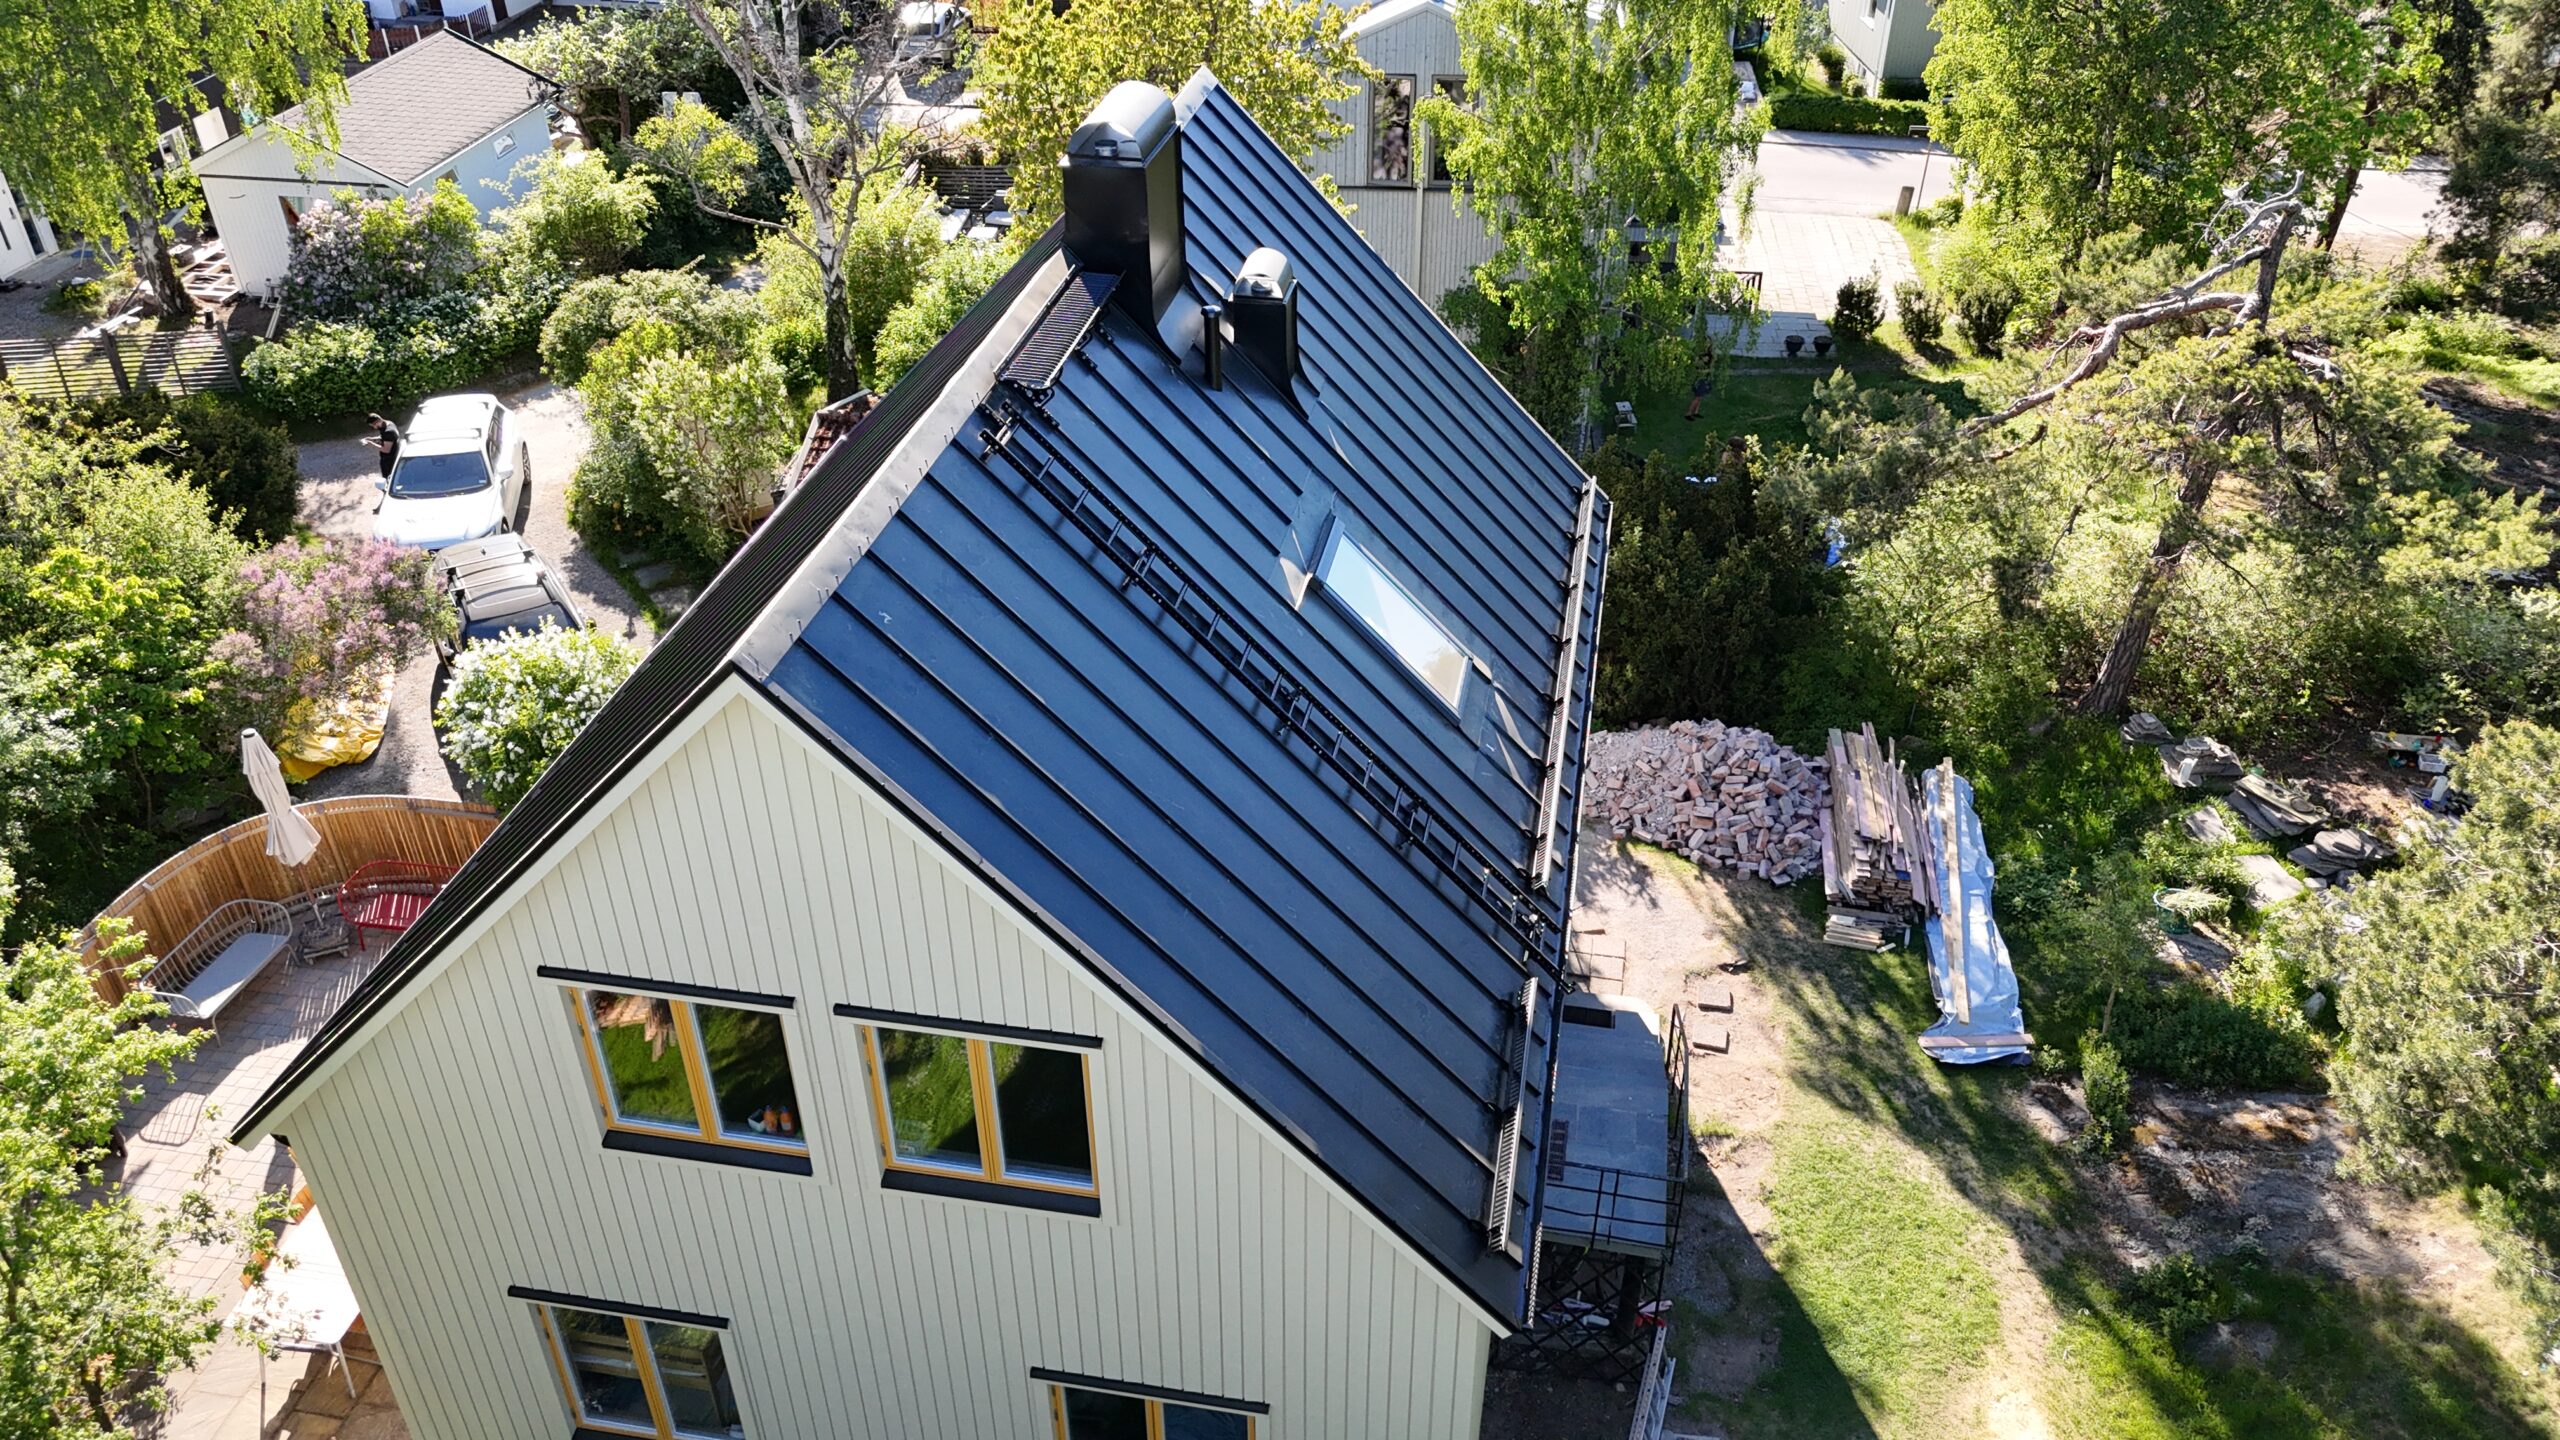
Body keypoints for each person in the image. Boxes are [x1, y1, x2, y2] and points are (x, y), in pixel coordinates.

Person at [1683, 339, 1717, 421]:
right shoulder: (1700, 355)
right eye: (1706, 343)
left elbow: (1712, 365)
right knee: (1697, 397)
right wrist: (1704, 369)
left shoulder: (1710, 355)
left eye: (1709, 343)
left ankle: (1696, 412)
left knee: (1700, 397)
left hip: (1706, 378)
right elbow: (1695, 367)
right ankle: (1689, 413)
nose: (1707, 344)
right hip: (1699, 379)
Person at [363, 413, 402, 479]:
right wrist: (373, 439)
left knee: (388, 477)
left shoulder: (389, 432)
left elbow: (386, 450)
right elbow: (384, 437)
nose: (374, 427)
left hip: (390, 460)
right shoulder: (389, 423)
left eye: (374, 425)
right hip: (393, 456)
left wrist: (371, 444)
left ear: (378, 421)